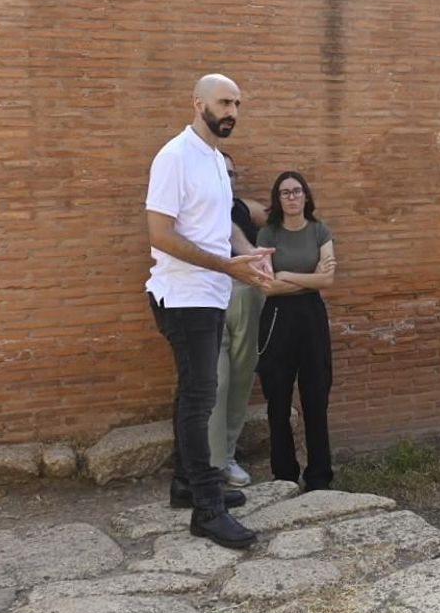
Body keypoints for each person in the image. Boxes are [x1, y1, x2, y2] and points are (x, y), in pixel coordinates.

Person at [144, 74, 274, 550]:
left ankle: (185, 485)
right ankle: (207, 509)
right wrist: (226, 266)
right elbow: (160, 234)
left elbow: (224, 229)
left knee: (192, 396)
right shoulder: (174, 157)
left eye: (237, 103)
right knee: (201, 401)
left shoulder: (216, 161)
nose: (232, 112)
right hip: (184, 297)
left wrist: (249, 256)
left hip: (213, 291)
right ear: (197, 102)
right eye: (224, 102)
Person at [256, 171, 338, 491]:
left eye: (296, 191)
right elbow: (268, 288)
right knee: (278, 397)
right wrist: (307, 277)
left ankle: (319, 476)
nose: (291, 197)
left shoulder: (320, 231)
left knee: (316, 396)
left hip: (312, 317)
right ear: (278, 200)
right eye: (284, 193)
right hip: (278, 319)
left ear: (306, 196)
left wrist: (286, 274)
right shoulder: (268, 235)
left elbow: (328, 281)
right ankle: (285, 474)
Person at [207, 151, 268, 488]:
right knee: (216, 381)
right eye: (221, 173)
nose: (227, 179)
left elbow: (281, 216)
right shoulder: (195, 208)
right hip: (207, 295)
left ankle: (227, 455)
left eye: (231, 174)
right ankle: (212, 463)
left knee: (242, 378)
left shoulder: (243, 208)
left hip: (246, 294)